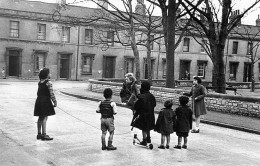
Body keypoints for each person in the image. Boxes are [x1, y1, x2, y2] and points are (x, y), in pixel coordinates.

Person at [34, 68, 57, 141]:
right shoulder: (48, 82)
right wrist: (55, 101)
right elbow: (51, 93)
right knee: (45, 117)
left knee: (40, 117)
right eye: (49, 73)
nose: (50, 74)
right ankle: (44, 134)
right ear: (46, 75)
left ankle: (39, 134)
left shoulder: (40, 82)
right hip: (45, 101)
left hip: (39, 100)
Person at [131, 81, 156, 145]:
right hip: (150, 114)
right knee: (148, 127)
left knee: (144, 127)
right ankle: (148, 138)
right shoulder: (152, 96)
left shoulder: (141, 97)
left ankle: (144, 140)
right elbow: (154, 104)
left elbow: (136, 106)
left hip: (143, 114)